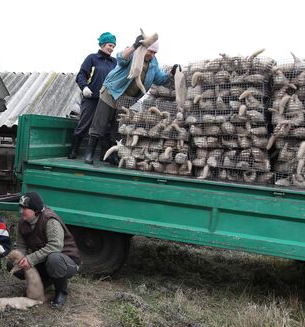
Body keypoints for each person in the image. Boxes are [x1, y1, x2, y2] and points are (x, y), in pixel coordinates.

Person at [84, 34, 180, 165]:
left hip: (127, 100)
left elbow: (160, 79)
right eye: (150, 51)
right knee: (100, 123)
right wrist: (135, 46)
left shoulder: (153, 63)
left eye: (154, 52)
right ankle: (89, 153)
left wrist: (172, 73)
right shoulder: (133, 53)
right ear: (145, 48)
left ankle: (111, 156)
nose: (151, 54)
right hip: (112, 92)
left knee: (117, 128)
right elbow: (120, 58)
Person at [9, 191, 81, 309]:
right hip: (44, 261)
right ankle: (43, 283)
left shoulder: (50, 220)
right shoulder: (23, 222)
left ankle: (61, 292)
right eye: (20, 207)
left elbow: (55, 246)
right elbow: (21, 247)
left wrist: (30, 259)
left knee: (54, 258)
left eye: (25, 208)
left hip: (66, 261)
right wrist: (21, 259)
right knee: (13, 264)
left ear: (35, 210)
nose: (21, 211)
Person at [68, 32, 117, 159]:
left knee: (105, 128)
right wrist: (84, 87)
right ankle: (73, 151)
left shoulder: (114, 63)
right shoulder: (92, 58)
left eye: (113, 46)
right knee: (84, 124)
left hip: (107, 101)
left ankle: (104, 156)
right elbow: (81, 75)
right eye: (109, 45)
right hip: (92, 98)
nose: (111, 48)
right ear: (102, 44)